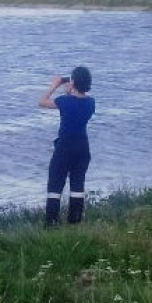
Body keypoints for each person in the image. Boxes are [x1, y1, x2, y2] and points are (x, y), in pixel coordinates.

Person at [39, 66, 95, 227]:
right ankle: (75, 219)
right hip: (82, 147)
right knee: (78, 183)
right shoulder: (91, 103)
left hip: (65, 146)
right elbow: (77, 103)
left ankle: (51, 220)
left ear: (74, 82)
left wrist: (55, 85)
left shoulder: (64, 101)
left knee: (55, 182)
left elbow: (42, 101)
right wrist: (71, 89)